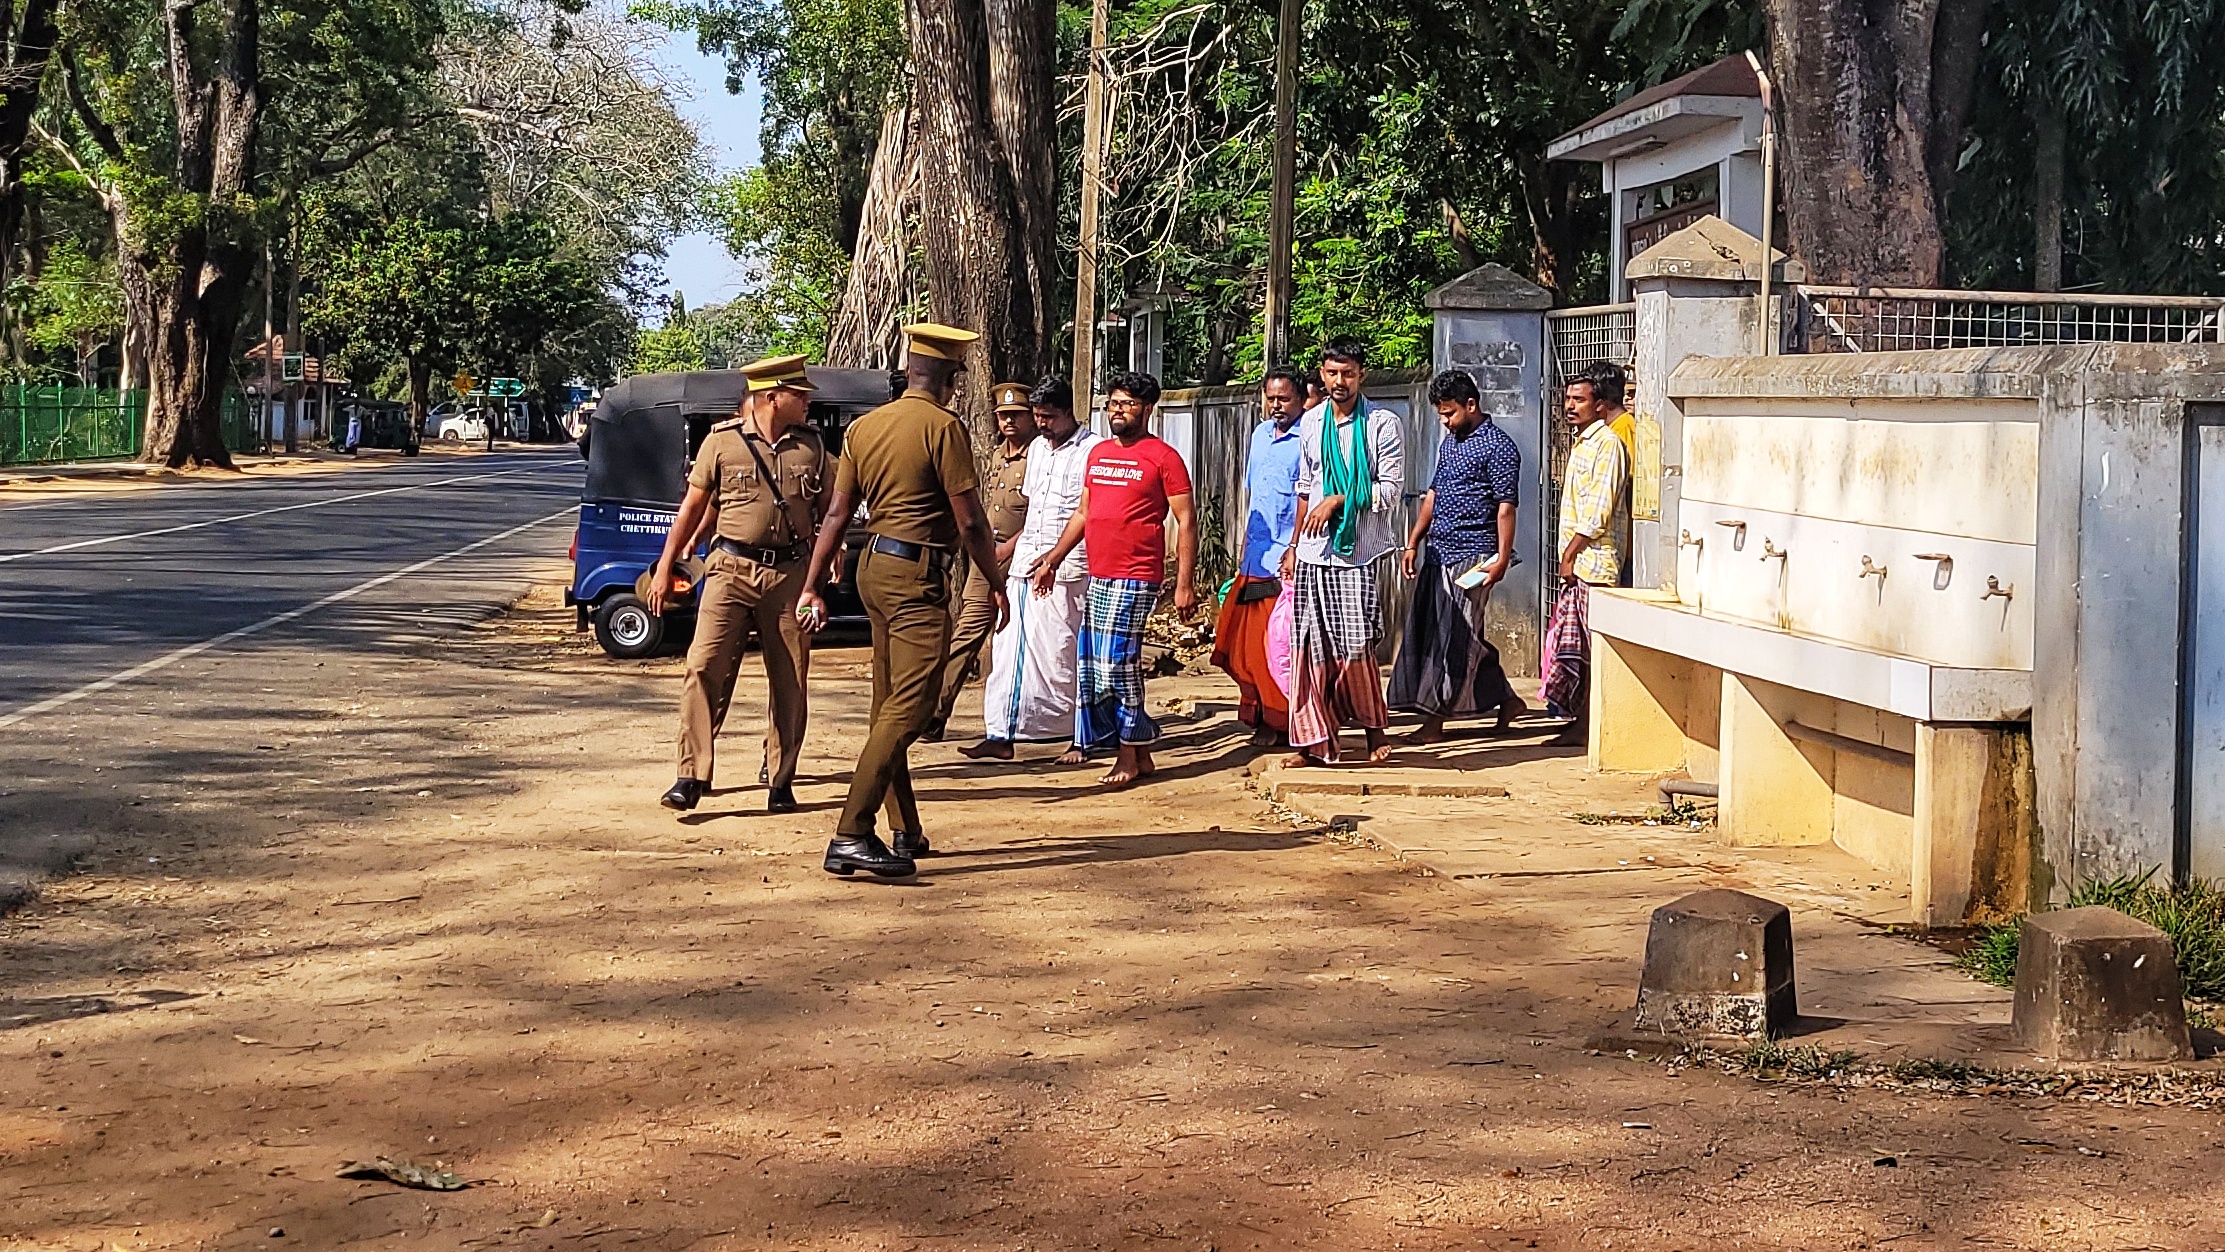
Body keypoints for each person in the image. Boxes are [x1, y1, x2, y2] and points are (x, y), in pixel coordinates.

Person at [795, 323, 1008, 878]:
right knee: (912, 707)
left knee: (887, 703)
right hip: (917, 576)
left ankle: (905, 828)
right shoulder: (943, 428)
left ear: (909, 373)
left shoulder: (866, 427)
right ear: (951, 379)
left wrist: (814, 583)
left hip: (873, 570)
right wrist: (996, 581)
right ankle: (851, 832)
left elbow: (837, 516)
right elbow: (970, 522)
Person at [649, 355, 832, 815]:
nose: (808, 400)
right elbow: (691, 508)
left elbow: (833, 508)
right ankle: (691, 775)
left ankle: (781, 779)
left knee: (790, 678)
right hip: (729, 570)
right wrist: (665, 564)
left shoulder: (812, 448)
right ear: (773, 397)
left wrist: (830, 557)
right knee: (702, 665)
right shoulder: (722, 443)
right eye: (800, 394)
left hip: (788, 575)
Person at [1030, 371, 1197, 788]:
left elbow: (1186, 520)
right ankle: (1140, 753)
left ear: (1147, 409)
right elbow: (1084, 513)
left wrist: (1184, 583)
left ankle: (1127, 751)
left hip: (1137, 573)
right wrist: (1053, 557)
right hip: (1098, 572)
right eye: (1113, 403)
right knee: (1093, 666)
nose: (1118, 411)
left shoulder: (1163, 457)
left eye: (1127, 404)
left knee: (1117, 665)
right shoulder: (1099, 453)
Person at [962, 376, 1101, 760]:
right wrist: (1013, 550)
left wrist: (1054, 558)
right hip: (1026, 563)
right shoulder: (1038, 450)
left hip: (1068, 567)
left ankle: (1077, 734)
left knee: (1062, 651)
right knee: (1009, 648)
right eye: (1037, 416)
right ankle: (1002, 732)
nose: (1042, 424)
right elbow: (1033, 507)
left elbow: (1087, 514)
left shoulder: (1093, 450)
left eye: (1049, 417)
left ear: (1067, 413)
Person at [1283, 336, 1404, 767]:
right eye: (1332, 373)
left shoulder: (1382, 424)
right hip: (1314, 553)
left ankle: (1374, 732)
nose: (1340, 381)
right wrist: (1294, 545)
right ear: (1322, 373)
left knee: (1356, 645)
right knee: (1310, 646)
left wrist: (1338, 500)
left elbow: (1390, 490)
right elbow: (1304, 488)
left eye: (1348, 373)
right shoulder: (1312, 423)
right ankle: (1312, 739)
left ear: (1361, 376)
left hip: (1358, 553)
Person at [1388, 369, 1525, 742]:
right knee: (1446, 632)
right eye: (1440, 415)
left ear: (1471, 404)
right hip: (1438, 551)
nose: (1445, 422)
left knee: (1453, 640)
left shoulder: (1499, 447)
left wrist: (1499, 558)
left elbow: (1506, 507)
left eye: (1450, 414)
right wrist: (1414, 540)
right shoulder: (1449, 444)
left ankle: (1434, 720)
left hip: (1475, 555)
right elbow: (1433, 494)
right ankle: (1505, 698)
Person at [923, 382, 1036, 742]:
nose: (1009, 422)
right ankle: (935, 715)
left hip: (1028, 557)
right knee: (967, 634)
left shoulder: (1042, 456)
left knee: (1023, 642)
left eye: (1016, 415)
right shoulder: (995, 455)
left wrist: (1012, 548)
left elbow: (1044, 514)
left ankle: (1019, 721)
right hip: (986, 558)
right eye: (1003, 416)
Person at [1211, 365, 1305, 744]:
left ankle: (1282, 723)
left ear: (1301, 399)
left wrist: (1295, 549)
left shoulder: (1310, 439)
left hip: (1284, 564)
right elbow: (1255, 500)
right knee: (1239, 647)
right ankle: (1258, 716)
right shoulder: (1260, 435)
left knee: (1275, 650)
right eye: (1271, 398)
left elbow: (1306, 499)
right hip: (1254, 559)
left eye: (1284, 398)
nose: (1276, 405)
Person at [1545, 359, 1632, 747]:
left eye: (1578, 399)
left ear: (1599, 405)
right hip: (1579, 564)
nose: (1570, 405)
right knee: (1574, 648)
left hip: (1594, 564)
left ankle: (1591, 725)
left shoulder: (1608, 444)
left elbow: (1597, 512)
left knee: (1591, 651)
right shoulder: (1582, 444)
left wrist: (1570, 554)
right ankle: (1579, 721)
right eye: (1567, 398)